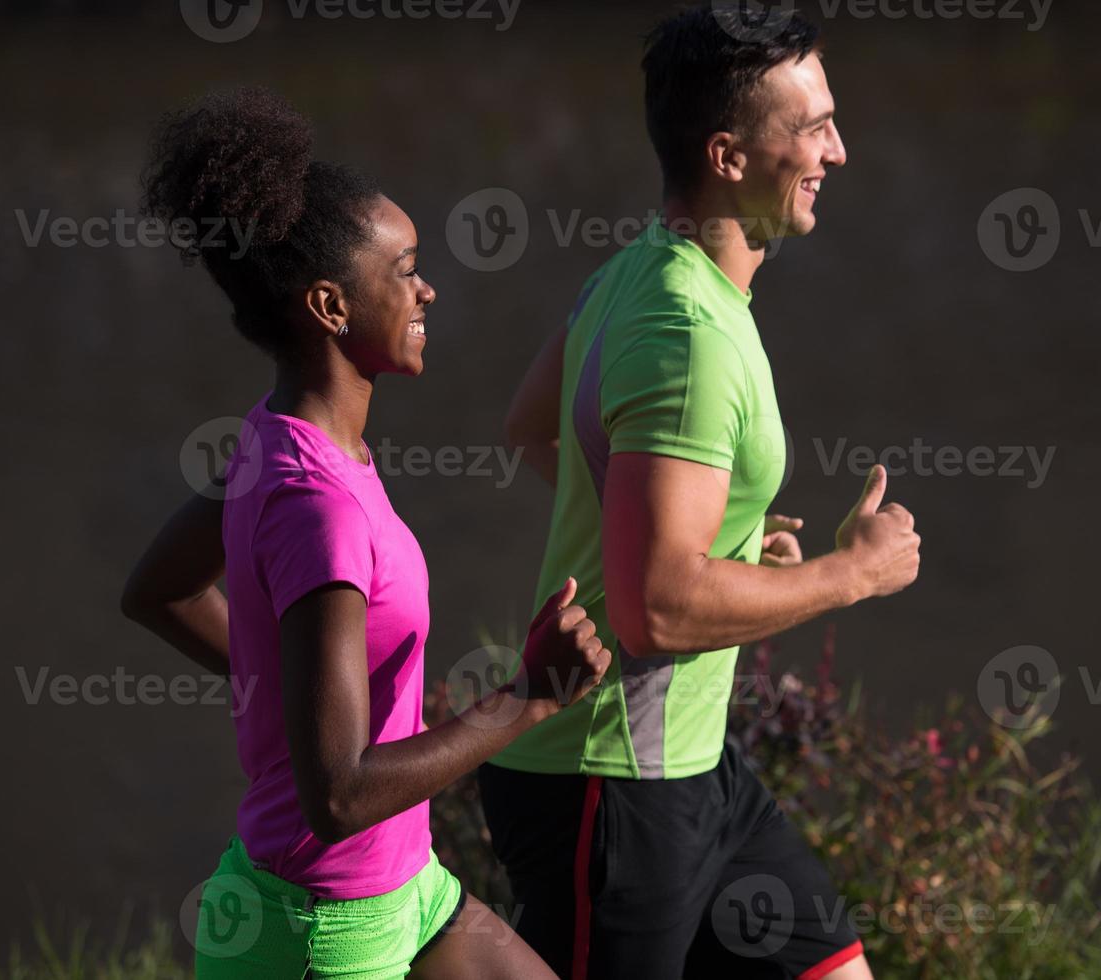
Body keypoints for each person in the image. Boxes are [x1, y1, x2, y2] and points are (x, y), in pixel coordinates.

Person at [120, 87, 610, 980]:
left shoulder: (284, 439)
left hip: (406, 888)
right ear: (328, 305)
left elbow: (161, 588)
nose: (428, 288)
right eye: (406, 270)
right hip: (321, 936)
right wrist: (528, 698)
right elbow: (339, 794)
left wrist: (292, 687)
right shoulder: (320, 507)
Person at [485, 6, 921, 979]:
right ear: (727, 154)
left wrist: (697, 528)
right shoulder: (686, 332)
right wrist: (850, 572)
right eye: (812, 130)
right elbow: (655, 608)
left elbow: (532, 427)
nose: (838, 152)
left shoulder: (640, 270)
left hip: (694, 767)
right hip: (608, 784)